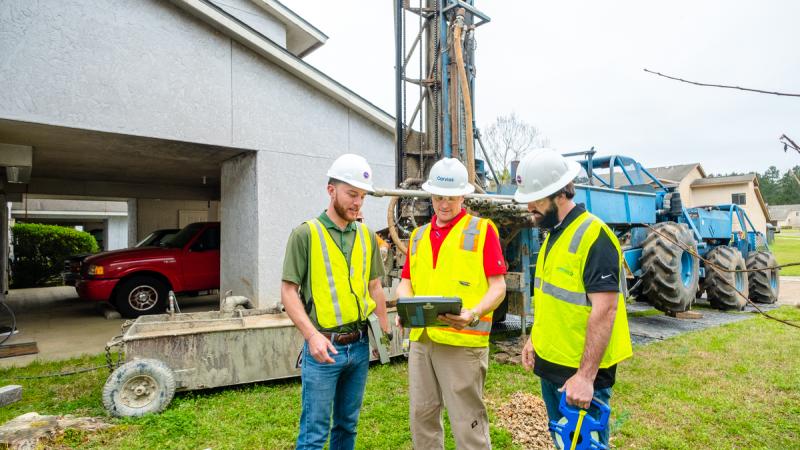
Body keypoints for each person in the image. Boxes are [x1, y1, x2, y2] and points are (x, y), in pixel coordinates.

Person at [515, 148, 632, 448]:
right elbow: (551, 300)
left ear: (559, 194)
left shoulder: (595, 236)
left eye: (536, 198)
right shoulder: (554, 235)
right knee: (562, 443)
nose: (529, 207)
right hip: (553, 368)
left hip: (579, 378)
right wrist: (534, 341)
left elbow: (605, 311)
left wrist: (585, 377)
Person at [281, 153, 392, 450]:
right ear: (331, 190)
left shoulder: (367, 235)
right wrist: (311, 336)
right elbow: (288, 291)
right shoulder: (305, 234)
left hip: (358, 346)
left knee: (347, 426)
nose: (357, 202)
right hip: (323, 349)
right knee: (314, 435)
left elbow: (374, 286)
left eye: (362, 197)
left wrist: (384, 330)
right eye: (351, 194)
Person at [396, 158, 507, 450]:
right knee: (422, 417)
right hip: (422, 340)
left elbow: (498, 287)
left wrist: (473, 314)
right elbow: (406, 280)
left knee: (467, 421)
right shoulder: (418, 236)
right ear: (431, 195)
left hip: (463, 342)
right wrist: (404, 306)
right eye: (438, 197)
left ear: (463, 196)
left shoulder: (482, 231)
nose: (444, 204)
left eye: (451, 197)